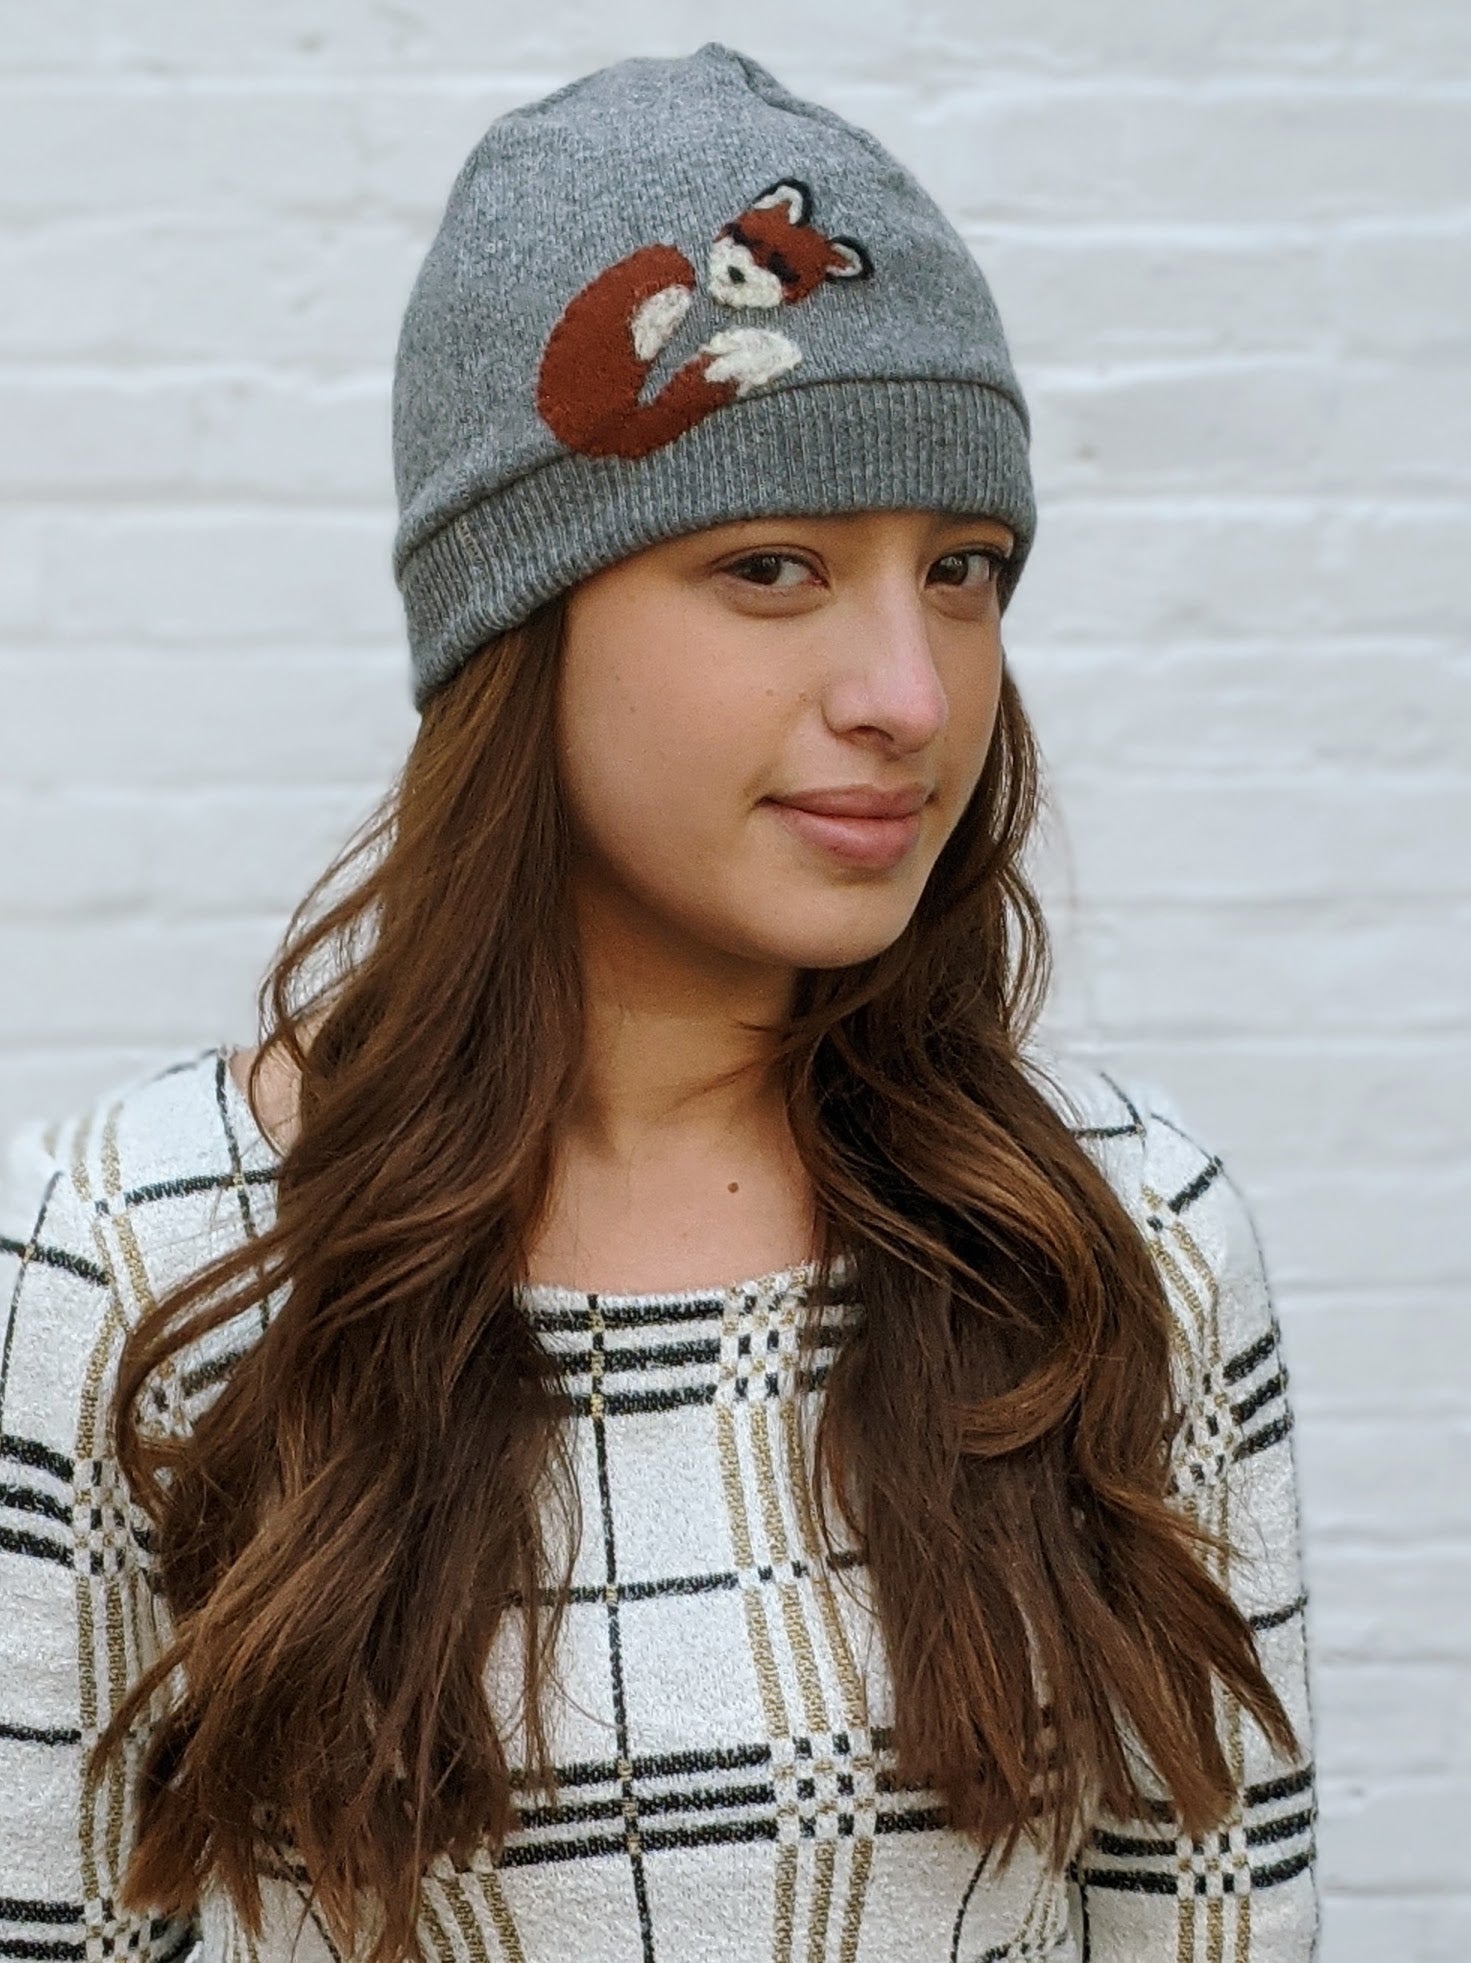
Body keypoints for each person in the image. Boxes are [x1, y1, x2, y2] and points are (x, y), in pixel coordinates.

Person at [0, 40, 1319, 1963]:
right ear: (517, 632)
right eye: (772, 566)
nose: (916, 693)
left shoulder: (1121, 1240)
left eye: (963, 571)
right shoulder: (140, 1251)